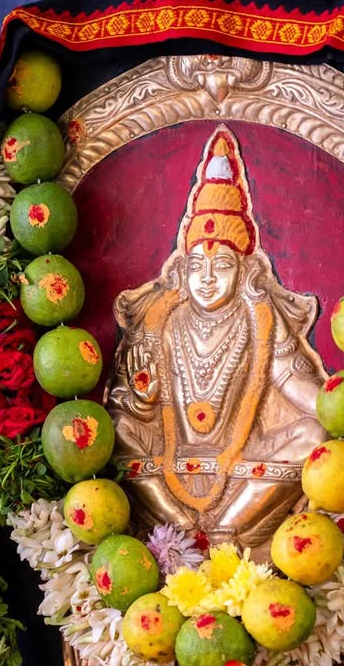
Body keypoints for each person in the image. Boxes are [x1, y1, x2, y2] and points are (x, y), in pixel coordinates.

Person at [108, 126, 327, 551]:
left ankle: (225, 529)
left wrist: (339, 414)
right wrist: (142, 402)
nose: (207, 279)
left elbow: (294, 383)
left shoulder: (260, 318)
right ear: (182, 270)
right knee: (116, 430)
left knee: (313, 434)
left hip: (244, 463)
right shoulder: (158, 318)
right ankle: (177, 529)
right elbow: (124, 402)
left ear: (244, 271)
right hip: (166, 459)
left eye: (222, 265)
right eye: (196, 266)